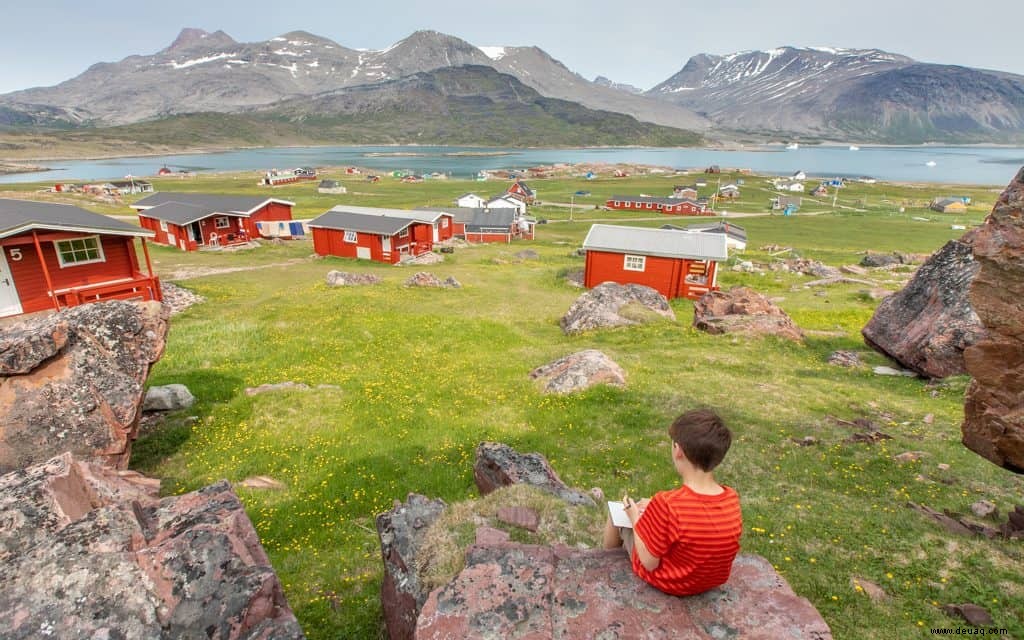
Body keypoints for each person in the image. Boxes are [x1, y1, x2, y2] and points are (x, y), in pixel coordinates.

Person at [602, 408, 742, 596]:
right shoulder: (731, 498)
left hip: (669, 582)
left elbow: (649, 563)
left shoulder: (667, 504)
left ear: (678, 451)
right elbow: (695, 517)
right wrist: (652, 508)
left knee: (616, 513)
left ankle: (603, 565)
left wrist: (635, 517)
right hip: (708, 582)